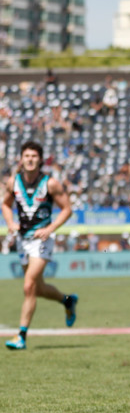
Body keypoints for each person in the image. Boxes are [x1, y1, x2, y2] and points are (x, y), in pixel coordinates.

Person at [2, 141, 77, 350]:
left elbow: (67, 209)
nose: (30, 159)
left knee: (28, 286)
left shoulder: (50, 183)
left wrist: (50, 228)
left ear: (40, 160)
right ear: (21, 159)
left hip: (42, 241)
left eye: (34, 156)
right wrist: (9, 223)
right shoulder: (13, 182)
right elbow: (5, 205)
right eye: (26, 156)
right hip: (22, 240)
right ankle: (68, 301)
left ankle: (21, 336)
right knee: (38, 288)